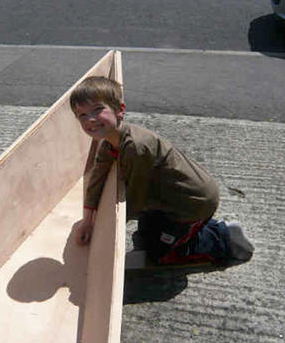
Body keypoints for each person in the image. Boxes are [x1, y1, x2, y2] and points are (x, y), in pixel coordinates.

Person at [70, 76, 253, 267]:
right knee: (146, 234)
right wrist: (88, 220)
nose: (90, 119)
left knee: (161, 255)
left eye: (97, 110)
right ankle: (202, 229)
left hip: (192, 203)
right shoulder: (109, 141)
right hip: (169, 197)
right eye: (82, 115)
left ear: (120, 111)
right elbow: (97, 176)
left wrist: (103, 235)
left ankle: (224, 238)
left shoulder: (136, 147)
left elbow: (134, 201)